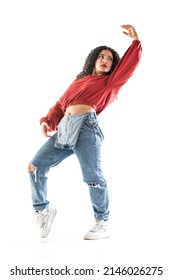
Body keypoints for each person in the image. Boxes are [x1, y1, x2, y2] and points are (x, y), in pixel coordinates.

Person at [28, 24, 142, 240]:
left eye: (109, 58)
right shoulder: (78, 82)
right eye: (101, 56)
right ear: (93, 59)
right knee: (35, 167)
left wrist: (135, 42)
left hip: (87, 128)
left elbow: (129, 66)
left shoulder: (110, 82)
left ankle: (102, 222)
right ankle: (42, 211)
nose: (105, 60)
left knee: (92, 176)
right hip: (65, 128)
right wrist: (47, 121)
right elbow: (60, 106)